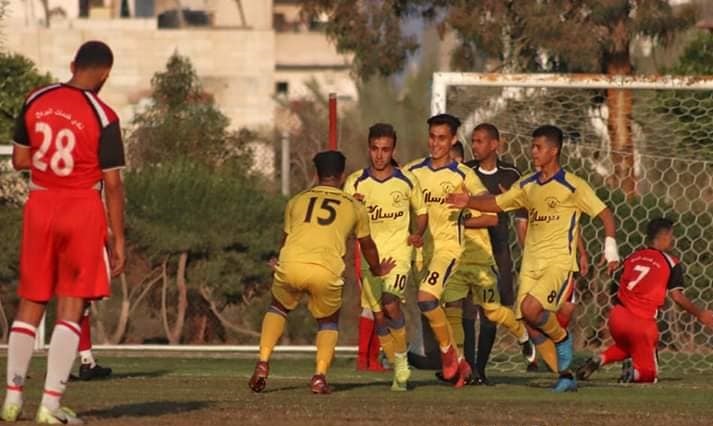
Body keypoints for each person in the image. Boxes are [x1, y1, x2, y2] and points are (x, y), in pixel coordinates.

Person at [3, 40, 126, 424]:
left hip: (40, 204)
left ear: (73, 65)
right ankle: (50, 406)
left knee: (31, 302)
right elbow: (113, 184)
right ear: (105, 74)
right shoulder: (104, 115)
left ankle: (11, 399)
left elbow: (20, 159)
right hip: (81, 208)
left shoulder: (35, 98)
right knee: (71, 305)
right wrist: (118, 238)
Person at [447, 125, 619, 392]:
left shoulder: (572, 185)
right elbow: (497, 203)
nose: (533, 152)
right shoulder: (527, 185)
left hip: (558, 263)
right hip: (530, 263)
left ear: (554, 150)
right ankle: (565, 376)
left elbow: (605, 214)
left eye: (539, 147)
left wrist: (610, 249)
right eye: (533, 147)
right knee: (529, 323)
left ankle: (561, 339)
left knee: (531, 309)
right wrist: (468, 201)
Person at [249, 151, 395, 395]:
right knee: (328, 321)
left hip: (292, 264)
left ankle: (263, 361)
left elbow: (287, 238)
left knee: (278, 308)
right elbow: (367, 245)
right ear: (342, 176)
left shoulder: (296, 200)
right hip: (325, 271)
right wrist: (377, 269)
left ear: (316, 174)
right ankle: (319, 376)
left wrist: (279, 259)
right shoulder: (355, 206)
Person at [405, 113, 492, 387]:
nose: (435, 143)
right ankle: (461, 364)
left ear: (453, 139)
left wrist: (470, 202)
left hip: (448, 250)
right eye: (432, 137)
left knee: (426, 299)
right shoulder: (412, 171)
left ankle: (448, 354)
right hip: (420, 254)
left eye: (442, 138)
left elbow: (490, 205)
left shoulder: (463, 174)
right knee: (437, 307)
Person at [576, 218, 713, 383]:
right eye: (671, 236)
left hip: (618, 318)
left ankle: (599, 359)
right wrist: (700, 314)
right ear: (664, 236)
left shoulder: (632, 257)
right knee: (649, 374)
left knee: (628, 346)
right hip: (642, 324)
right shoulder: (671, 262)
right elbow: (677, 296)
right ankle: (632, 373)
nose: (673, 239)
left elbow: (615, 288)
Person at [344, 123, 428, 391]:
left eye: (385, 149)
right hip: (369, 257)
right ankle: (397, 363)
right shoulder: (355, 182)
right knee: (378, 317)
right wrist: (353, 208)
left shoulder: (406, 180)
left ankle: (401, 364)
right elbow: (344, 223)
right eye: (375, 149)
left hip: (398, 253)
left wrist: (417, 233)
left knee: (390, 303)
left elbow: (422, 212)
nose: (380, 155)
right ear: (369, 148)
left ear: (393, 150)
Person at [462, 123, 531, 383]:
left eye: (480, 141)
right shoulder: (466, 171)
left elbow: (522, 216)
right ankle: (468, 368)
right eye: (473, 141)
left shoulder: (511, 175)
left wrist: (527, 252)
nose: (475, 146)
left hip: (499, 250)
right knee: (468, 309)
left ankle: (480, 369)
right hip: (470, 249)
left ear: (494, 144)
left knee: (491, 311)